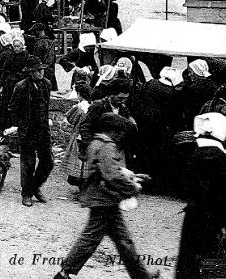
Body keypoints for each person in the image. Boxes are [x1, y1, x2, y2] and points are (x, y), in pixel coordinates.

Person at [54, 112, 158, 279]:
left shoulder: (97, 143)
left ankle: (141, 275)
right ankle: (64, 273)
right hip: (104, 199)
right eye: (119, 132)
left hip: (103, 198)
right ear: (113, 131)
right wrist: (132, 187)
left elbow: (111, 171)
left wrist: (131, 176)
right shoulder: (107, 146)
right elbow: (112, 175)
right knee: (92, 239)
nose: (121, 135)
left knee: (122, 241)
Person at [175, 112, 226, 279]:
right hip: (217, 221)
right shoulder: (222, 157)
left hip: (194, 218)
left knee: (191, 261)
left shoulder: (193, 152)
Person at [10, 57, 54, 207]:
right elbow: (12, 108)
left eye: (42, 70)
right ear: (30, 72)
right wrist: (20, 124)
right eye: (37, 70)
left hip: (43, 129)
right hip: (28, 130)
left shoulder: (47, 84)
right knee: (28, 164)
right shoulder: (21, 87)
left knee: (48, 162)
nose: (41, 73)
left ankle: (35, 187)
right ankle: (26, 193)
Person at [62, 82, 92, 190]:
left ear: (79, 94)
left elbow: (69, 120)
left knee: (78, 162)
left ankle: (81, 184)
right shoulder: (92, 106)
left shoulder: (78, 107)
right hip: (89, 137)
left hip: (78, 135)